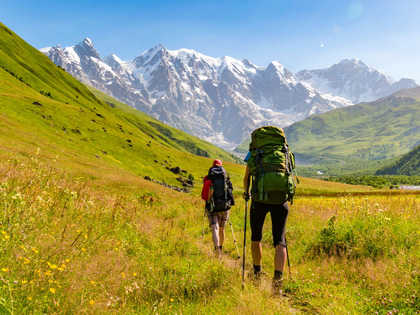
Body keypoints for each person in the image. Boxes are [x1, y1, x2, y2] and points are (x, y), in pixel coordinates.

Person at [243, 149, 290, 296]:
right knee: (280, 240)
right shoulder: (284, 151)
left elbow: (247, 177)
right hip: (281, 200)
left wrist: (246, 192)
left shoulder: (254, 151)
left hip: (259, 199)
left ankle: (257, 274)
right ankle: (277, 283)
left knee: (256, 237)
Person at [203, 159, 234, 257]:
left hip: (212, 206)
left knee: (214, 228)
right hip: (224, 207)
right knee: (222, 228)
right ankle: (221, 247)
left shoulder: (208, 178)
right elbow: (230, 192)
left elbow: (205, 193)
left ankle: (217, 251)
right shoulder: (226, 177)